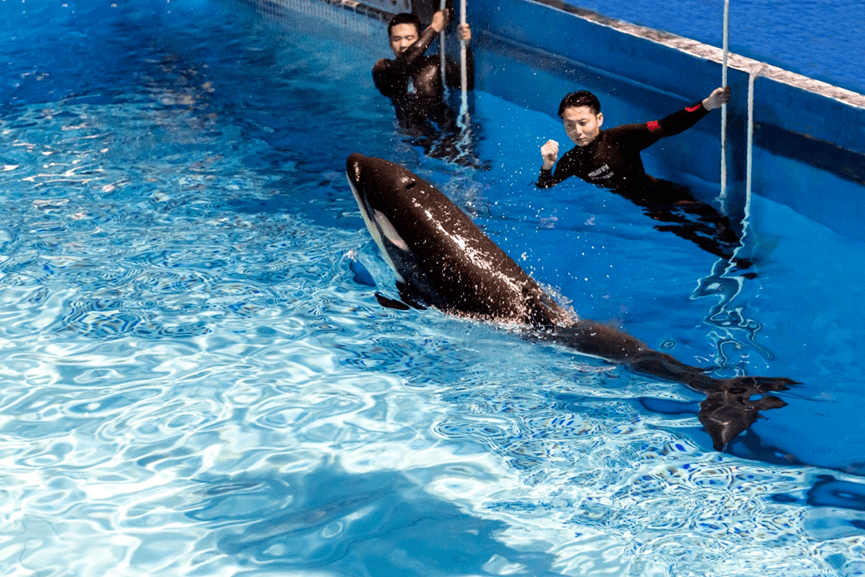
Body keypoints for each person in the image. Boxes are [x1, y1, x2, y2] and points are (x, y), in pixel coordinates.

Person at [537, 88, 747, 264]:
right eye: (569, 125)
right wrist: (547, 166)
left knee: (715, 219)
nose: (577, 131)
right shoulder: (570, 161)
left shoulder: (622, 137)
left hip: (663, 192)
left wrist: (707, 105)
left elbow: (665, 126)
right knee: (689, 233)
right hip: (647, 207)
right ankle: (734, 262)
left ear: (599, 119)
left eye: (583, 122)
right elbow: (546, 191)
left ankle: (740, 252)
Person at [373, 11, 477, 165]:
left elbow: (467, 85)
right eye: (397, 39)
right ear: (389, 43)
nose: (403, 45)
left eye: (409, 38)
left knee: (465, 160)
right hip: (412, 136)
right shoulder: (383, 69)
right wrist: (434, 28)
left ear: (419, 37)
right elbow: (404, 63)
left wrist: (466, 46)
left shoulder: (435, 64)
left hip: (446, 131)